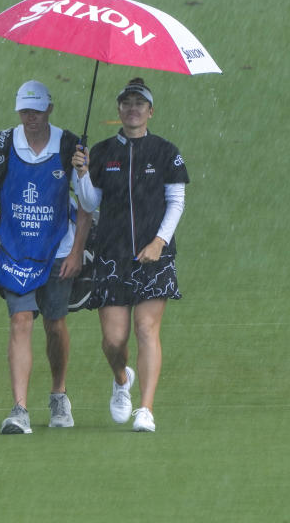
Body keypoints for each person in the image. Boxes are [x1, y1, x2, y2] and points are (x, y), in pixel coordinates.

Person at [0, 80, 92, 434]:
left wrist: (78, 250)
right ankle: (19, 409)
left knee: (55, 324)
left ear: (49, 109)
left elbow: (86, 204)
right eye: (25, 110)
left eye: (37, 110)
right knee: (20, 320)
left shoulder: (69, 146)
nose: (31, 117)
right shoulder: (3, 144)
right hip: (16, 248)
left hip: (58, 250)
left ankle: (58, 394)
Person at [72, 77, 189, 432]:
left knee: (146, 328)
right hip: (111, 254)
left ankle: (146, 409)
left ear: (150, 111)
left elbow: (176, 202)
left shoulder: (166, 152)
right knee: (113, 341)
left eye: (140, 103)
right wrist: (81, 173)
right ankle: (122, 379)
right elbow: (91, 203)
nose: (133, 108)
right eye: (127, 103)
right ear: (119, 110)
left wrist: (159, 242)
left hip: (154, 255)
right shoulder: (104, 152)